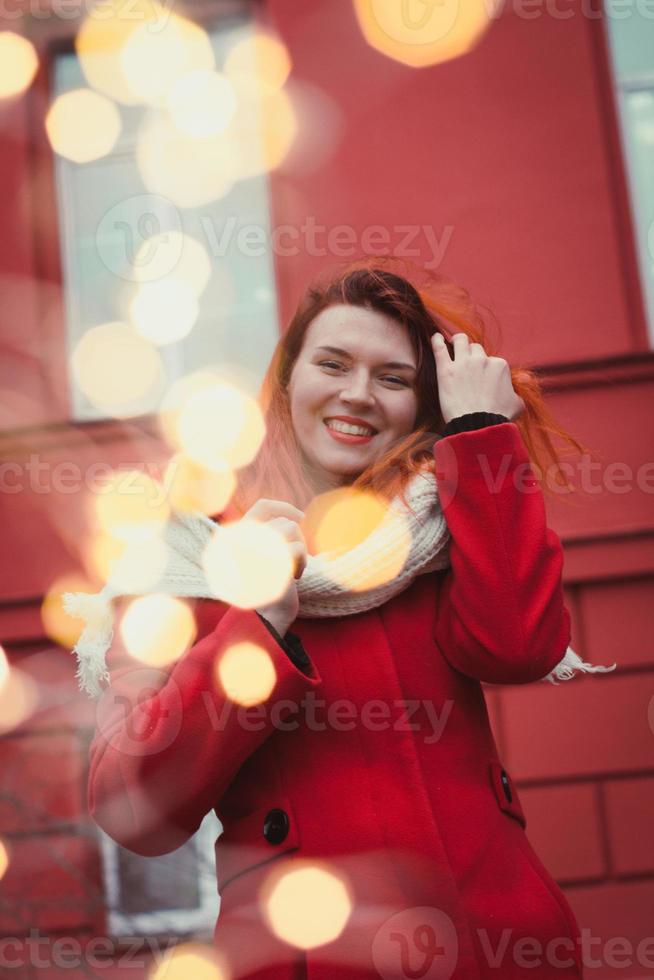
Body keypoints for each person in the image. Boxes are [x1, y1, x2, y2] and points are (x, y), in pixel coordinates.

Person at [81, 259, 610, 979]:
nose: (357, 395)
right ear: (288, 379)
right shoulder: (188, 554)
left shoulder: (446, 528)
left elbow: (519, 648)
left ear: (422, 405)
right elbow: (133, 810)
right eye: (332, 363)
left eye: (392, 378)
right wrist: (258, 625)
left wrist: (483, 434)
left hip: (499, 946)